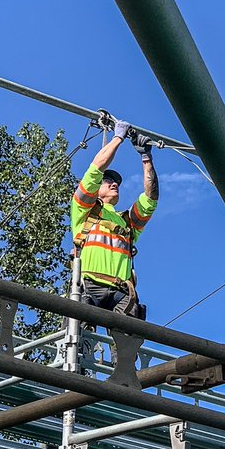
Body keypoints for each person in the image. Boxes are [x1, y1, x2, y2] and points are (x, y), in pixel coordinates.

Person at [70, 117, 159, 320]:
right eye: (108, 181)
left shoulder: (126, 222)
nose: (113, 184)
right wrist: (117, 138)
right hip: (89, 286)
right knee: (78, 339)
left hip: (122, 292)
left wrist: (146, 158)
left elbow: (151, 198)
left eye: (116, 182)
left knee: (127, 342)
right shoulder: (83, 209)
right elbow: (95, 171)